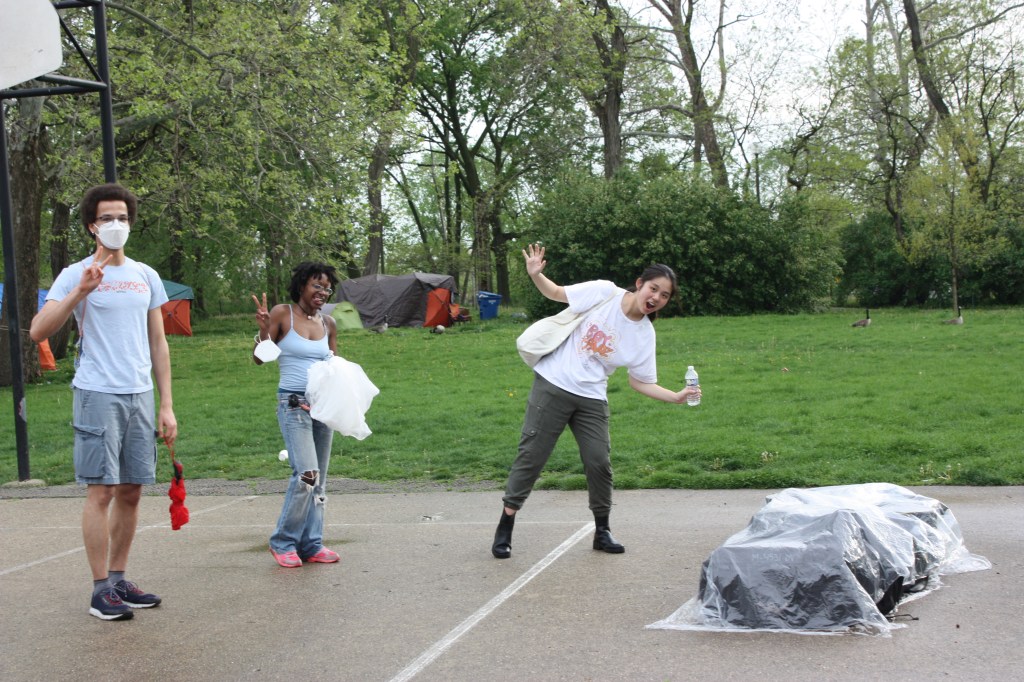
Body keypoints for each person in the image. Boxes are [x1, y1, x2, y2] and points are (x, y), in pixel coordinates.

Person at [492, 244, 701, 559]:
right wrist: (536, 274)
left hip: (592, 397)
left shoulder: (645, 334)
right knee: (532, 455)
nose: (656, 297)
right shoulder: (604, 292)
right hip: (553, 384)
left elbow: (640, 381)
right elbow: (556, 293)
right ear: (640, 283)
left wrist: (676, 396)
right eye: (653, 288)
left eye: (664, 295)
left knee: (599, 462)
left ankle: (602, 531)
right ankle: (506, 524)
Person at [30, 183, 178, 620]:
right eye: (107, 218)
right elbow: (38, 331)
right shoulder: (75, 273)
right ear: (92, 226)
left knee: (131, 490)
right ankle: (99, 591)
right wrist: (81, 291)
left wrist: (166, 404)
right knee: (102, 491)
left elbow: (158, 343)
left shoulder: (145, 275)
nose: (117, 224)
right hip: (97, 392)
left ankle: (118, 579)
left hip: (139, 394)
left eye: (123, 218)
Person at [252, 262, 340, 568]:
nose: (322, 292)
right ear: (302, 285)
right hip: (293, 405)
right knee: (306, 475)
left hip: (321, 407)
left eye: (327, 288)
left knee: (320, 480)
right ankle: (283, 542)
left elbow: (334, 367)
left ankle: (312, 543)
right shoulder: (282, 314)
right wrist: (264, 330)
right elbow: (259, 359)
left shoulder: (328, 323)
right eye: (316, 285)